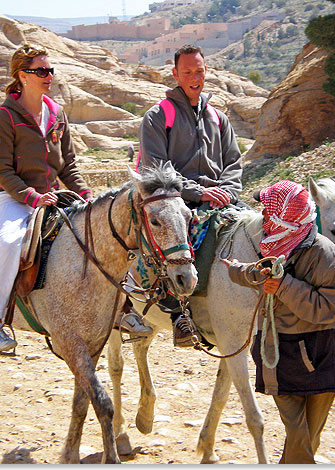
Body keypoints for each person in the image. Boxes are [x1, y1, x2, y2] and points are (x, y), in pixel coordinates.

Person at [221, 180, 335, 464]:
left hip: (319, 354)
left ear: (287, 216)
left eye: (270, 212)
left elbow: (330, 308)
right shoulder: (279, 244)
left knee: (307, 438)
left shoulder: (324, 253)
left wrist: (283, 285)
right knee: (299, 435)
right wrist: (237, 272)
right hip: (279, 355)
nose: (265, 218)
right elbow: (264, 274)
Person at [121, 44, 244, 346]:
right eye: (187, 72)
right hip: (175, 200)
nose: (194, 77)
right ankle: (177, 314)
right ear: (175, 74)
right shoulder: (157, 116)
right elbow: (157, 169)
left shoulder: (218, 118)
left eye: (199, 71)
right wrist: (201, 193)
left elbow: (234, 163)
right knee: (171, 245)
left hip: (220, 198)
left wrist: (225, 192)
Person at [0, 44, 93, 353]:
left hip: (54, 197)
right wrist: (32, 197)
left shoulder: (56, 113)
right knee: (8, 242)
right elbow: (1, 171)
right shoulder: (5, 116)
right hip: (15, 199)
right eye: (41, 71)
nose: (48, 76)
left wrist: (86, 195)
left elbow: (68, 164)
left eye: (50, 70)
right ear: (22, 76)